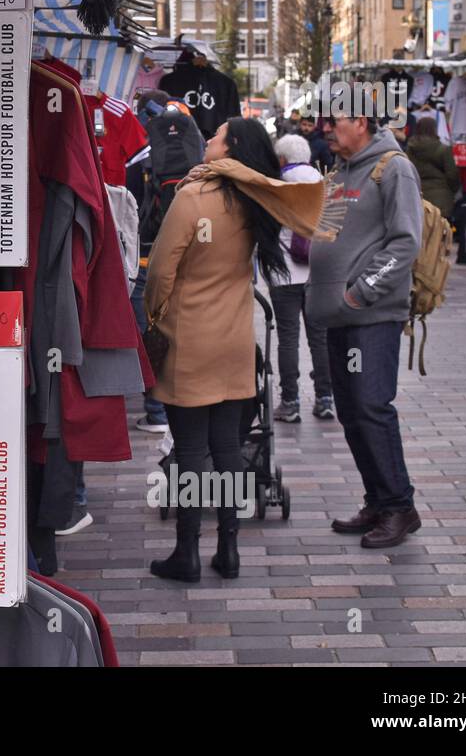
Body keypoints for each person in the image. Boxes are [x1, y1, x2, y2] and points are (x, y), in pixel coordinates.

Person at [144, 118, 337, 582]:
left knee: (191, 449)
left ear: (230, 148)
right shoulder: (253, 200)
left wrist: (153, 318)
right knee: (227, 446)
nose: (207, 140)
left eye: (215, 136)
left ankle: (187, 552)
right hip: (235, 340)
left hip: (189, 339)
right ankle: (228, 549)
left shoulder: (192, 198)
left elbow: (160, 272)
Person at [307, 105, 423, 548]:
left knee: (372, 407)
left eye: (335, 121)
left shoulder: (394, 170)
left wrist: (360, 292)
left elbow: (406, 241)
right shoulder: (338, 171)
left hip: (370, 317)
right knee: (352, 410)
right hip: (340, 315)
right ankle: (378, 499)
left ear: (362, 122)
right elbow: (327, 233)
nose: (327, 130)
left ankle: (399, 506)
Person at [126, 90, 204, 436]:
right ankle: (189, 397)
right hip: (189, 254)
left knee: (150, 329)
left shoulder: (140, 159)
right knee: (186, 327)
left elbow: (129, 208)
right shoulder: (195, 157)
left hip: (147, 253)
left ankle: (156, 410)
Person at [266, 134, 334, 422]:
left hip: (284, 273)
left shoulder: (276, 183)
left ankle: (290, 402)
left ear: (282, 158)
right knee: (320, 338)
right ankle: (325, 398)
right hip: (318, 272)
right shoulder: (323, 182)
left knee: (288, 338)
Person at [405, 115, 459, 219]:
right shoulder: (444, 150)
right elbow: (452, 175)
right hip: (441, 201)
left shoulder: (410, 149)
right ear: (434, 129)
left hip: (417, 198)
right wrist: (452, 191)